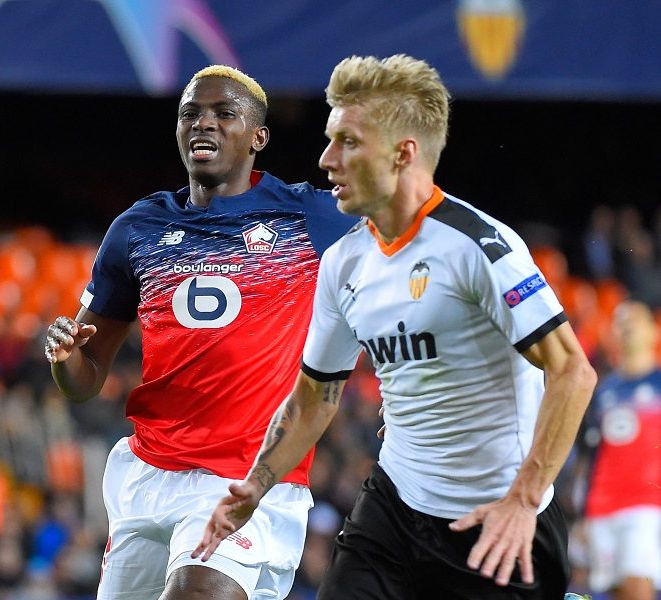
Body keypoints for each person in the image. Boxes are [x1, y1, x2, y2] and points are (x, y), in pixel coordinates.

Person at [193, 54, 597, 599]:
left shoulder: (478, 247)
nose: (327, 159)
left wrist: (524, 500)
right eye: (330, 140)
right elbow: (314, 398)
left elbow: (573, 372)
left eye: (348, 143)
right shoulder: (344, 262)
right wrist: (254, 487)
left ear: (403, 153)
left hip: (496, 519)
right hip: (393, 511)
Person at [43, 65, 357, 600]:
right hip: (148, 476)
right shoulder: (138, 229)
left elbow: (412, 240)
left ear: (258, 137)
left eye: (223, 113)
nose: (203, 123)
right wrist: (65, 358)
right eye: (190, 113)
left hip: (247, 477)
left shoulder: (311, 216)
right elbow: (85, 380)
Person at [580, 300, 660, 600]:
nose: (626, 328)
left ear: (653, 331)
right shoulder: (603, 390)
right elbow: (592, 453)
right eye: (620, 322)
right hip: (602, 504)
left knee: (637, 586)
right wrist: (584, 508)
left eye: (634, 320)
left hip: (646, 503)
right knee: (613, 591)